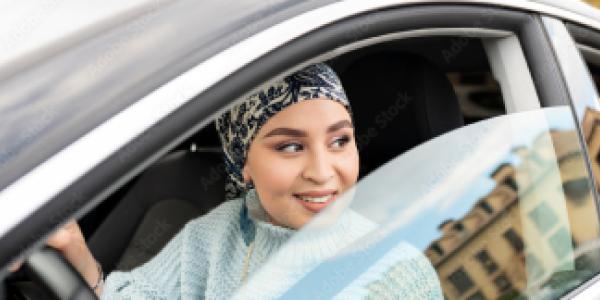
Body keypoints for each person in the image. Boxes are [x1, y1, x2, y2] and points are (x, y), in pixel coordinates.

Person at [11, 63, 443, 299]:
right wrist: (77, 255)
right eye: (290, 147)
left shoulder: (398, 273)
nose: (322, 171)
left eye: (339, 141)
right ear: (243, 165)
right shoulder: (217, 234)